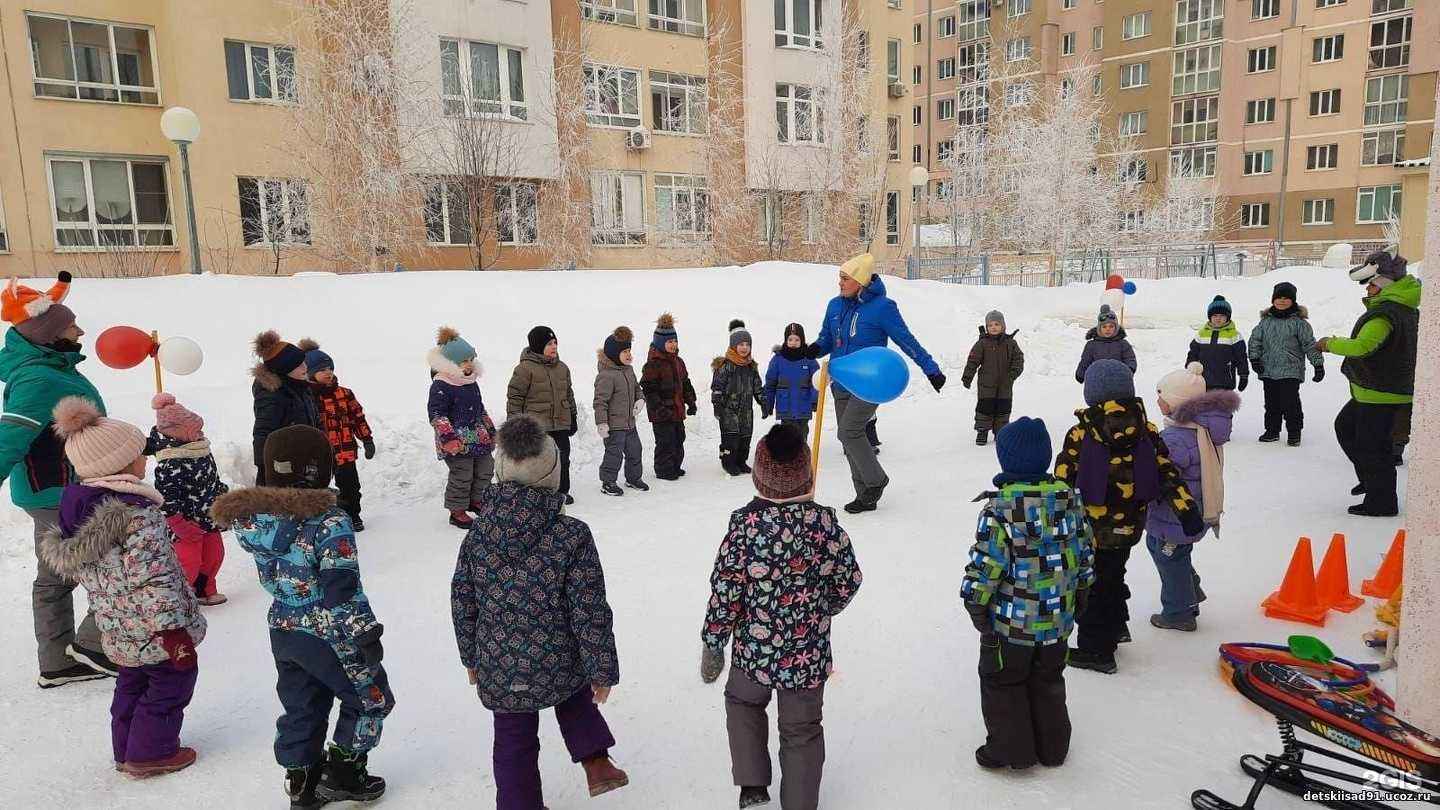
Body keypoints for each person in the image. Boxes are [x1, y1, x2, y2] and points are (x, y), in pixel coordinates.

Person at [212, 425, 393, 809]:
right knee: (371, 697)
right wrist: (365, 633)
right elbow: (340, 586)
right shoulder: (329, 522)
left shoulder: (255, 520)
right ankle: (344, 775)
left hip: (284, 628)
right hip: (330, 631)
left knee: (302, 704)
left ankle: (301, 779)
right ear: (319, 470)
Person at [451, 415, 628, 808]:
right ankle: (597, 761)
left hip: (500, 661)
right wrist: (602, 669)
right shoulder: (571, 534)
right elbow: (589, 610)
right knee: (575, 697)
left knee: (513, 738)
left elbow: (463, 597)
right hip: (559, 656)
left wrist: (471, 657)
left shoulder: (480, 533)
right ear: (553, 475)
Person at [40, 397, 206, 777]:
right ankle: (151, 753)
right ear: (118, 465)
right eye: (138, 455)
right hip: (157, 629)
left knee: (132, 681)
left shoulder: (79, 512)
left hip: (119, 627)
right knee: (171, 682)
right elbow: (154, 577)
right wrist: (173, 631)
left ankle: (126, 748)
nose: (144, 459)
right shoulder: (136, 515)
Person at [700, 423, 862, 810]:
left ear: (759, 477)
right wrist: (823, 609)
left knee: (743, 703)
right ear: (807, 474)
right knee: (802, 730)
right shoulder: (824, 524)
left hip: (753, 652)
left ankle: (753, 785)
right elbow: (849, 578)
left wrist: (713, 641)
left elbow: (726, 589)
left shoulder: (745, 526)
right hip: (808, 654)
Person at [0, 272, 116, 687]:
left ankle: (59, 662)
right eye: (71, 326)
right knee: (111, 563)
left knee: (57, 576)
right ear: (49, 334)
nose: (80, 331)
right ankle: (92, 647)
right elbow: (9, 437)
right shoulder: (38, 377)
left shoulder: (48, 366)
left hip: (58, 488)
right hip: (56, 490)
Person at [1053, 360, 1203, 674]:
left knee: (1094, 588)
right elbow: (1167, 473)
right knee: (1113, 574)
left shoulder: (1082, 432)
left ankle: (1098, 650)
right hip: (1131, 525)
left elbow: (1063, 479)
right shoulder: (1146, 430)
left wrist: (1054, 521)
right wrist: (1187, 510)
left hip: (1092, 529)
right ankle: (1117, 626)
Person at [961, 417, 1093, 771]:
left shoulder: (1000, 510)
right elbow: (1085, 551)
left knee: (1003, 681)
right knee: (1048, 679)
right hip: (1056, 620)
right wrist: (1082, 587)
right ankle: (1053, 748)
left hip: (1011, 625)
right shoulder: (1069, 501)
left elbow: (987, 563)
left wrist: (974, 600)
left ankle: (1011, 750)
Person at [807, 253, 946, 514]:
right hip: (841, 381)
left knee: (849, 431)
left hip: (872, 382)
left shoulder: (883, 308)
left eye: (845, 279)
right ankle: (865, 495)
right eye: (840, 277)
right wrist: (808, 350)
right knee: (847, 436)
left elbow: (906, 340)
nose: (840, 283)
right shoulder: (835, 306)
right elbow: (827, 340)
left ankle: (875, 481)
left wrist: (931, 369)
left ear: (860, 281)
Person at [1318, 250, 1420, 517]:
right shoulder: (1403, 309)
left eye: (1372, 284)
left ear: (1385, 284)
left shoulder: (1387, 314)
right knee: (1347, 429)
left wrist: (1329, 343)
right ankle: (1372, 480)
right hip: (1377, 390)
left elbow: (1364, 346)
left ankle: (1381, 502)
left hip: (1381, 392)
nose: (1368, 289)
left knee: (1373, 448)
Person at [1145, 363, 1239, 632]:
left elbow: (1160, 473)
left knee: (1169, 556)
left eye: (1162, 395)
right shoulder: (1198, 428)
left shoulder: (1176, 438)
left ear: (1177, 402)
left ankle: (1178, 613)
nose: (1158, 400)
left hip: (1178, 513)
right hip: (1192, 509)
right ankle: (1189, 592)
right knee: (1164, 549)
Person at [144, 393, 230, 606]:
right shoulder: (170, 461)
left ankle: (205, 589)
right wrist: (177, 522)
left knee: (214, 555)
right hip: (185, 523)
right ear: (178, 433)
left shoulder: (200, 449)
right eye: (195, 429)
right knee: (188, 561)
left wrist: (223, 498)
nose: (201, 433)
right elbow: (166, 498)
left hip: (209, 516)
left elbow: (213, 480)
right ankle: (180, 598)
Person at [299, 339, 375, 531]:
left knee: (350, 485)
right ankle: (318, 518)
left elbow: (358, 417)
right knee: (317, 485)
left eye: (330, 368)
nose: (328, 372)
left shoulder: (344, 394)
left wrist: (367, 439)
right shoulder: (307, 396)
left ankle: (352, 514)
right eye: (322, 369)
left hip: (344, 449)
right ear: (309, 373)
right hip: (319, 452)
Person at [429, 327, 496, 529]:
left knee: (485, 469)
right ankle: (456, 509)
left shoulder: (471, 382)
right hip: (456, 440)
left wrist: (491, 430)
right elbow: (437, 414)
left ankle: (477, 500)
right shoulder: (442, 384)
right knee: (462, 473)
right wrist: (448, 438)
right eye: (463, 361)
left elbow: (480, 408)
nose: (469, 365)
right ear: (451, 363)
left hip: (478, 435)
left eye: (470, 360)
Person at [508, 326, 578, 505]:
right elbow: (515, 397)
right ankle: (538, 492)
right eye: (549, 344)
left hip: (560, 422)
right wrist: (514, 424)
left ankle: (561, 491)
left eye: (555, 343)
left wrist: (573, 415)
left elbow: (568, 394)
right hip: (537, 425)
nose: (554, 346)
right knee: (539, 460)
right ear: (538, 346)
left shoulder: (562, 368)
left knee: (562, 457)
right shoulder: (524, 369)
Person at [1248, 281, 1324, 446]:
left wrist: (1317, 364)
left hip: (1291, 370)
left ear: (1293, 301)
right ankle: (1272, 431)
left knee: (1290, 403)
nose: (1281, 301)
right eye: (1278, 298)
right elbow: (1255, 341)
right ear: (1273, 300)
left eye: (1286, 298)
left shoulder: (1299, 324)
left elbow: (1309, 345)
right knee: (1271, 404)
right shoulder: (1265, 322)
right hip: (1268, 370)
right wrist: (1254, 359)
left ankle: (1294, 432)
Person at [252, 330, 320, 486]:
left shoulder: (303, 387)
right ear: (284, 370)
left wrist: (323, 449)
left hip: (306, 458)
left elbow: (316, 420)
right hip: (283, 464)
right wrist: (265, 468)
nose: (305, 367)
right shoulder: (272, 395)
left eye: (304, 362)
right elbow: (263, 430)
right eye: (298, 365)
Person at [640, 313, 698, 481]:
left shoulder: (679, 362)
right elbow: (648, 389)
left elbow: (685, 383)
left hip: (677, 410)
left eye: (675, 341)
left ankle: (675, 466)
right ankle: (663, 469)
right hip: (662, 413)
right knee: (666, 441)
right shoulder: (653, 365)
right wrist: (659, 408)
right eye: (669, 342)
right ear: (660, 343)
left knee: (679, 438)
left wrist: (691, 402)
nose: (673, 345)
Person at [594, 326, 648, 497]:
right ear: (613, 353)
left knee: (635, 450)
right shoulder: (606, 375)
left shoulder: (629, 370)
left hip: (630, 423)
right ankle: (608, 482)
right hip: (614, 425)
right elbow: (600, 402)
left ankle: (633, 478)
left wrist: (640, 400)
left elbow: (637, 388)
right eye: (624, 351)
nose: (629, 354)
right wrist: (602, 423)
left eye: (629, 350)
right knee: (614, 454)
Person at [711, 319, 769, 476]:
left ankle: (741, 461)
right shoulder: (725, 366)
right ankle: (728, 463)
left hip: (746, 411)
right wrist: (717, 406)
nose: (744, 348)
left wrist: (763, 402)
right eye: (741, 344)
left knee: (745, 437)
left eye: (747, 345)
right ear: (733, 346)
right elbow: (717, 388)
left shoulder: (751, 366)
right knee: (731, 438)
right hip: (728, 410)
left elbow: (757, 387)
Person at [961, 310, 1025, 447]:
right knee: (985, 407)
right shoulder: (982, 344)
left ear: (1003, 326)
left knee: (1003, 408)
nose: (993, 327)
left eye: (997, 324)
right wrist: (967, 377)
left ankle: (1001, 432)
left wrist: (1013, 374)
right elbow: (973, 360)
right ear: (986, 327)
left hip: (1005, 384)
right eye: (990, 325)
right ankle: (982, 431)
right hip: (986, 384)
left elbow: (1018, 360)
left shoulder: (1011, 343)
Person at [764, 323, 821, 438]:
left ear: (802, 340)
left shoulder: (809, 360)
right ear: (786, 340)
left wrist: (815, 400)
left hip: (803, 408)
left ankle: (802, 455)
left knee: (801, 435)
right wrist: (768, 403)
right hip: (785, 409)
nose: (793, 343)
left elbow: (817, 382)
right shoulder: (777, 360)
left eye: (796, 339)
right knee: (787, 437)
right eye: (790, 339)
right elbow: (770, 384)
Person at [1186, 296, 1249, 392]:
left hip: (1225, 381)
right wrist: (1190, 367)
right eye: (1215, 315)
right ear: (1210, 317)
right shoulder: (1202, 334)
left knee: (1223, 406)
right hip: (1203, 381)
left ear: (1227, 317)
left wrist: (1243, 375)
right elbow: (1193, 353)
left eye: (1222, 316)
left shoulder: (1234, 335)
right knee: (1204, 406)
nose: (1218, 318)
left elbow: (1241, 357)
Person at [1074, 305, 1136, 383]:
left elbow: (1130, 359)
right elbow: (1085, 361)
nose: (1108, 329)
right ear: (1099, 328)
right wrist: (1080, 373)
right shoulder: (1092, 345)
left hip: (1118, 381)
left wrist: (1129, 370)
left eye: (1111, 326)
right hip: (1097, 382)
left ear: (1116, 327)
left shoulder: (1123, 344)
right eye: (1104, 327)